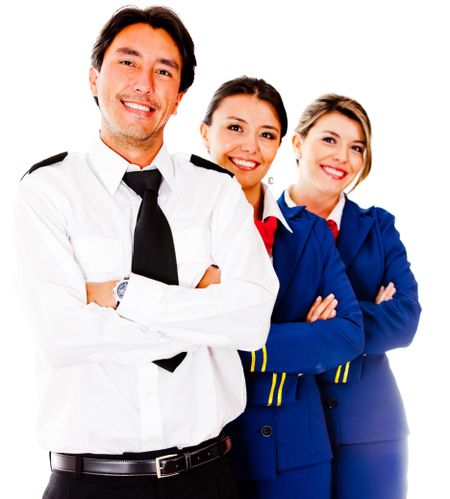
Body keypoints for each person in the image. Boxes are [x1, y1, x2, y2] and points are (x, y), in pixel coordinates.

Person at [14, 7, 279, 499]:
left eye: (164, 71)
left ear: (178, 98)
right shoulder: (46, 192)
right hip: (89, 483)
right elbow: (63, 337)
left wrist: (122, 294)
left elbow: (251, 322)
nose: (145, 84)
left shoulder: (217, 191)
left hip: (209, 478)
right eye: (128, 63)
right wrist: (202, 314)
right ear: (94, 78)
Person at [199, 76, 365, 499]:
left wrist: (226, 334)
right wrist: (304, 334)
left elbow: (348, 333)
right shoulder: (175, 225)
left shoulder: (309, 232)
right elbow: (168, 334)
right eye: (235, 128)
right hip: (207, 450)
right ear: (205, 133)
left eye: (266, 134)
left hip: (297, 450)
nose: (250, 146)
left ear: (281, 144)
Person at [288, 93, 421, 499]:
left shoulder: (378, 227)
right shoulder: (263, 222)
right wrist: (367, 314)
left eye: (357, 147)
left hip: (372, 426)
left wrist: (312, 327)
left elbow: (404, 321)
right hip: (287, 425)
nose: (342, 157)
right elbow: (255, 325)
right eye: (329, 139)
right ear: (298, 143)